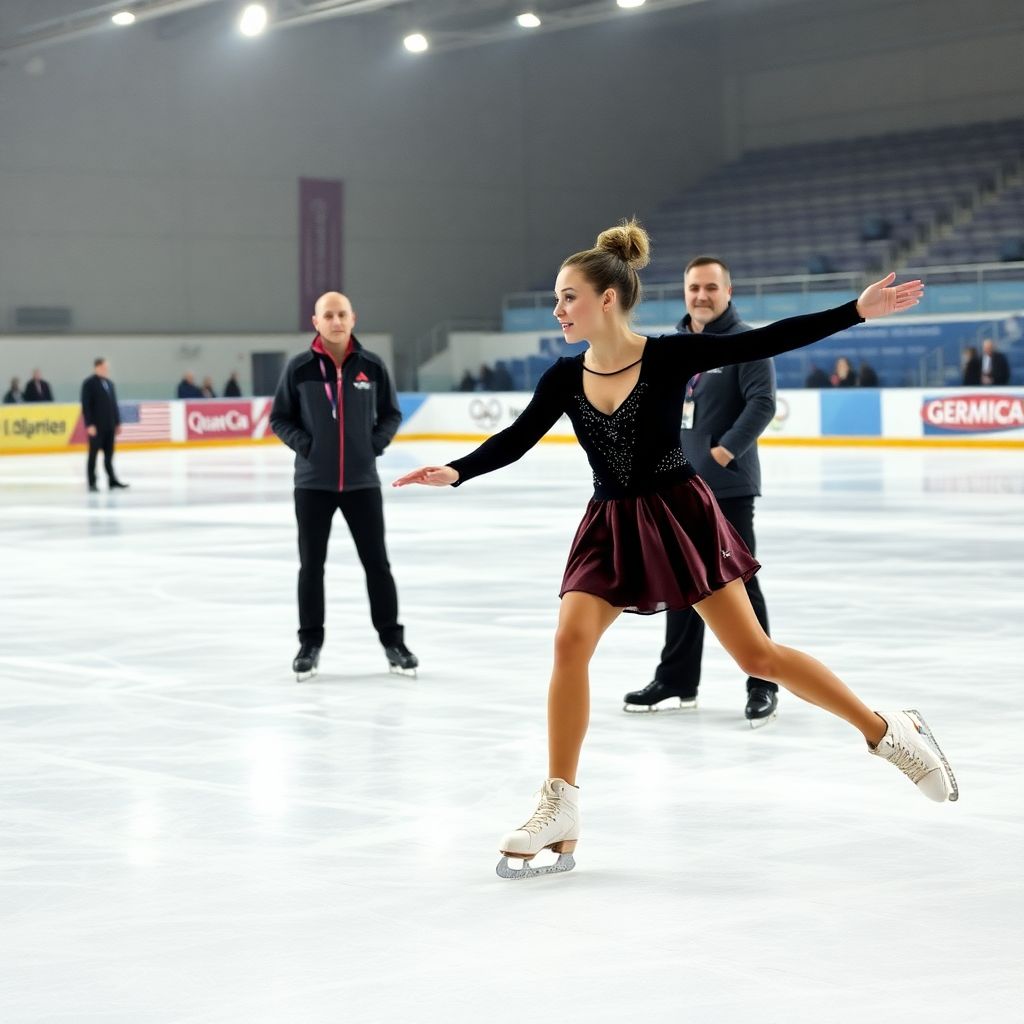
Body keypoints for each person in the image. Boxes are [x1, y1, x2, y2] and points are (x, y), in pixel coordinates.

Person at [393, 220, 957, 879]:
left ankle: (887, 732)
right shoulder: (562, 377)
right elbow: (515, 439)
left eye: (567, 296)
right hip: (608, 524)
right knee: (569, 643)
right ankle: (560, 803)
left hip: (680, 516)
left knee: (756, 654)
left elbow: (770, 339)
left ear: (607, 299)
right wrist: (458, 470)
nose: (557, 310)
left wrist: (856, 311)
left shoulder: (666, 357)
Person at [623, 256, 779, 726]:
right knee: (682, 584)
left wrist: (723, 454)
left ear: (727, 292)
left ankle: (763, 681)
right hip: (677, 487)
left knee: (739, 583)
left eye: (711, 288)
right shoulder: (673, 346)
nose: (702, 296)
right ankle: (677, 679)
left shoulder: (745, 343)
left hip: (727, 486)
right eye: (694, 288)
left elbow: (762, 403)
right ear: (684, 292)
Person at [270, 291, 417, 681]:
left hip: (361, 482)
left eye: (342, 314)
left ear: (353, 319)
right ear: (315, 322)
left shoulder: (371, 365)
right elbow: (280, 418)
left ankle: (393, 641)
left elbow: (391, 413)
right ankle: (309, 643)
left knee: (377, 565)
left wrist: (372, 445)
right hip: (313, 484)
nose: (336, 321)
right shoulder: (299, 369)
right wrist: (307, 446)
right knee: (311, 567)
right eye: (328, 315)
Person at [81, 358, 128, 492]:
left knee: (109, 455)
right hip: (96, 427)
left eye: (107, 367)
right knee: (93, 455)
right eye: (104, 367)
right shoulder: (89, 383)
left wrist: (117, 422)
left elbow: (113, 405)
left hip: (109, 425)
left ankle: (112, 480)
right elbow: (86, 405)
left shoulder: (110, 383)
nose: (107, 370)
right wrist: (89, 424)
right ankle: (92, 482)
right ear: (97, 367)